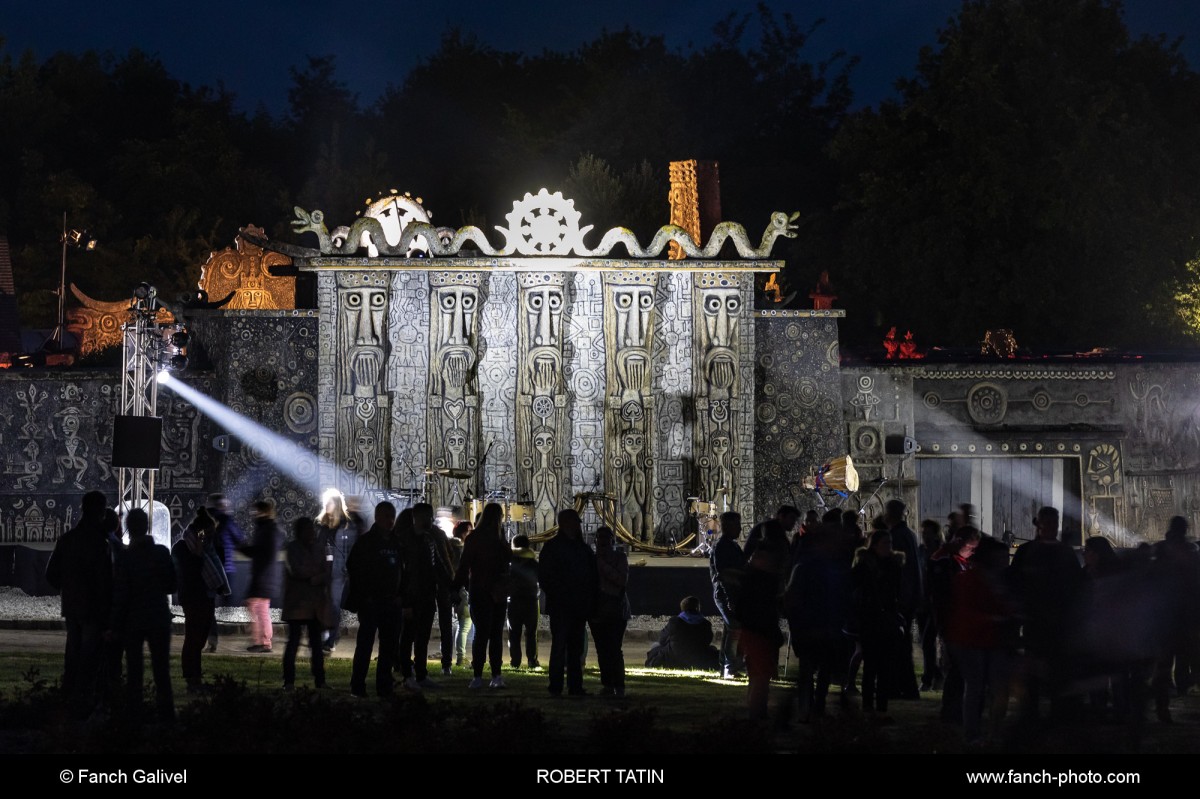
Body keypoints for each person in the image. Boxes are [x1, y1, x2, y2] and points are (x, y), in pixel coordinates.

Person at [45, 490, 112, 715]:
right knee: (90, 656)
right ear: (101, 511)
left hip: (73, 606)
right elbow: (105, 579)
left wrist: (68, 590)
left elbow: (51, 573)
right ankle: (84, 701)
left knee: (73, 652)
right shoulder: (100, 542)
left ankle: (69, 696)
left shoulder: (68, 539)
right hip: (93, 608)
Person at [110, 508, 176, 722]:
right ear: (147, 526)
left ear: (129, 528)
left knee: (134, 671)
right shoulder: (162, 553)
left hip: (134, 619)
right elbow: (172, 585)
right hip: (158, 617)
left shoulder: (125, 558)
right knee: (162, 671)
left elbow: (121, 593)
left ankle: (134, 716)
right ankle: (167, 716)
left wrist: (115, 624)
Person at [346, 501, 405, 698]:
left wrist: (400, 596)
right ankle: (358, 686)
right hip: (371, 603)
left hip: (391, 602)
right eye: (386, 516)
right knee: (365, 646)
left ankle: (384, 686)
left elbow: (404, 572)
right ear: (377, 517)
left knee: (388, 648)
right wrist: (366, 596)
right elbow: (354, 569)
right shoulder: (366, 543)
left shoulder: (396, 543)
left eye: (392, 516)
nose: (390, 521)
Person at [538, 508, 598, 696]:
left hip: (576, 604)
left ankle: (574, 685)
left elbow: (592, 575)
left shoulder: (580, 548)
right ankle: (557, 685)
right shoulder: (556, 547)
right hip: (563, 603)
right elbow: (545, 577)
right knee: (561, 646)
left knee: (574, 647)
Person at [453, 502, 512, 689]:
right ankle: (496, 675)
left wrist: (456, 587)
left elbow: (464, 565)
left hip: (479, 590)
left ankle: (478, 676)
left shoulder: (474, 538)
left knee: (481, 634)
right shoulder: (499, 538)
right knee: (495, 635)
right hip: (496, 591)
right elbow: (507, 560)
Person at [851, 529, 905, 717]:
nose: (889, 547)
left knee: (885, 666)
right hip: (870, 619)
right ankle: (868, 705)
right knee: (872, 664)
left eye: (890, 543)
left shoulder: (893, 564)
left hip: (887, 618)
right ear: (874, 545)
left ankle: (881, 705)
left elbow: (897, 592)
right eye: (885, 543)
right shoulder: (866, 565)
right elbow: (855, 586)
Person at [399, 503, 452, 690]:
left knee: (423, 638)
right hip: (412, 596)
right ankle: (407, 675)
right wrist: (405, 600)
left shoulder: (428, 539)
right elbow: (403, 573)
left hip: (427, 595)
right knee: (408, 637)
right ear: (418, 518)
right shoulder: (404, 540)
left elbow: (438, 566)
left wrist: (450, 587)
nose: (431, 520)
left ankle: (421, 674)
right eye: (428, 517)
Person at [172, 507, 218, 694]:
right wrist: (198, 554)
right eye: (208, 533)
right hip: (193, 598)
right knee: (193, 638)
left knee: (198, 639)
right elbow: (190, 573)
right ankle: (192, 678)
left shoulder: (201, 546)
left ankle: (195, 677)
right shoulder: (183, 548)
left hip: (203, 597)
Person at [281, 517, 330, 691]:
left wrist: (317, 576)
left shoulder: (317, 548)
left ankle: (320, 680)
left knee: (316, 644)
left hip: (314, 604)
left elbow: (326, 570)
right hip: (298, 602)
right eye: (308, 530)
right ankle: (289, 681)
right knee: (294, 642)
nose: (312, 533)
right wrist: (315, 576)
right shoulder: (293, 548)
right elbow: (297, 570)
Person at [316, 488, 359, 654]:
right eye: (325, 502)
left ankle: (331, 639)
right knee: (324, 604)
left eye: (330, 502)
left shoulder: (347, 526)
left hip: (338, 573)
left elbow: (352, 550)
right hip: (323, 572)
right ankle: (324, 636)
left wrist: (349, 569)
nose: (326, 505)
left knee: (334, 605)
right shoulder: (324, 526)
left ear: (337, 505)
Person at [591, 525, 631, 696]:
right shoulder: (591, 560)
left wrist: (601, 564)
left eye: (605, 539)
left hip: (615, 608)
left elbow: (621, 580)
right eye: (600, 539)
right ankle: (608, 684)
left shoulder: (619, 558)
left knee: (614, 648)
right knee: (602, 648)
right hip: (598, 608)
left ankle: (619, 685)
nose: (602, 543)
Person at [240, 498, 283, 653]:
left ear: (264, 512)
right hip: (265, 576)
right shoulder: (267, 529)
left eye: (256, 511)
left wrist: (244, 548)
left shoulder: (268, 531)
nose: (253, 514)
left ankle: (264, 641)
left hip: (263, 576)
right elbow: (259, 552)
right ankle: (262, 640)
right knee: (258, 607)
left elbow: (262, 553)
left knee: (258, 608)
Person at [710, 511, 747, 680]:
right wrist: (730, 598)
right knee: (734, 630)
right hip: (727, 593)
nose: (740, 528)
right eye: (737, 525)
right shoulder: (723, 546)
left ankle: (725, 668)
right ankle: (730, 668)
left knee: (730, 630)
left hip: (731, 593)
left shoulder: (731, 545)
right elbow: (723, 574)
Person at [205, 493, 244, 652]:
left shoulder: (205, 521)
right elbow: (240, 539)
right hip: (225, 567)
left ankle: (212, 640)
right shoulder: (227, 521)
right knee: (218, 601)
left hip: (209, 569)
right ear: (221, 505)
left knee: (208, 607)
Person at [645, 596, 719, 670]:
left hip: (674, 658)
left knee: (655, 645)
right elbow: (708, 641)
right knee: (713, 648)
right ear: (698, 608)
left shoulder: (675, 622)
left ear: (682, 608)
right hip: (698, 659)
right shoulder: (705, 624)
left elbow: (662, 639)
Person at [508, 534, 541, 669]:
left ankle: (515, 661)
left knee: (514, 633)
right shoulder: (533, 563)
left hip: (514, 600)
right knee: (531, 632)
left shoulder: (510, 562)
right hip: (531, 600)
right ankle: (532, 660)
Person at [448, 520, 473, 670]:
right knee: (464, 625)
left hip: (457, 588)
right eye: (468, 531)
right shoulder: (459, 548)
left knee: (460, 624)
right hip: (462, 588)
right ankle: (461, 657)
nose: (470, 534)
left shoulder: (451, 546)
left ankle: (458, 656)